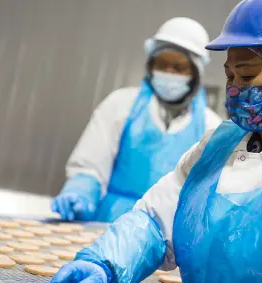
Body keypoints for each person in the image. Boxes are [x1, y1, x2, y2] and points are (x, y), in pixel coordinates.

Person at [51, 1, 262, 282]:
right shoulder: (215, 148)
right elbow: (155, 223)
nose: (234, 88)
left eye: (246, 75)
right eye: (229, 75)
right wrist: (106, 262)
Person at [51, 17, 222, 223]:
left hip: (168, 236)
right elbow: (90, 166)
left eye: (179, 67)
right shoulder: (120, 104)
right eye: (162, 64)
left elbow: (209, 194)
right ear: (151, 65)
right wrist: (80, 192)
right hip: (108, 224)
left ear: (195, 73)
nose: (169, 72)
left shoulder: (211, 125)